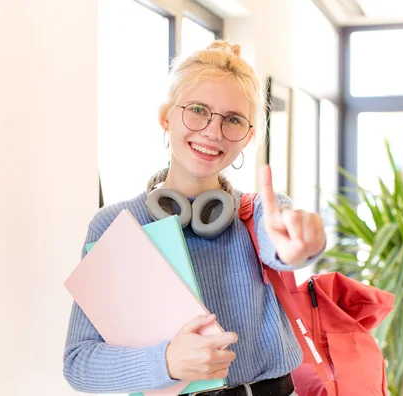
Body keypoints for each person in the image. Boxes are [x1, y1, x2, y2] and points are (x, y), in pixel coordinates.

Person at [63, 40, 327, 396]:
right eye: (198, 110)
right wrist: (166, 362)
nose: (213, 132)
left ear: (247, 137)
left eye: (232, 120)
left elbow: (279, 241)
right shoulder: (115, 226)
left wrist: (297, 248)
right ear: (165, 117)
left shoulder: (261, 210)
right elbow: (79, 364)